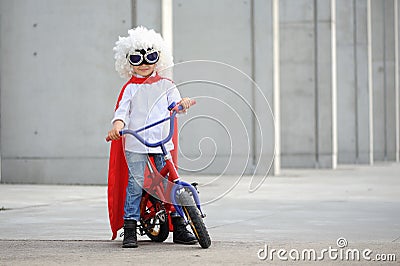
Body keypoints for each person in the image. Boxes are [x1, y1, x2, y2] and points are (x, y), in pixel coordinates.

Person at [107, 26, 196, 248]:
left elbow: (175, 105)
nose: (144, 63)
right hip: (136, 144)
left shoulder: (166, 85)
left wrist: (181, 104)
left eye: (151, 56)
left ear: (159, 58)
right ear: (128, 62)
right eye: (137, 58)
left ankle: (179, 226)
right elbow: (121, 113)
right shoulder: (129, 89)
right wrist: (117, 126)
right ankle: (130, 229)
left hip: (162, 142)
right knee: (137, 184)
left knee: (167, 182)